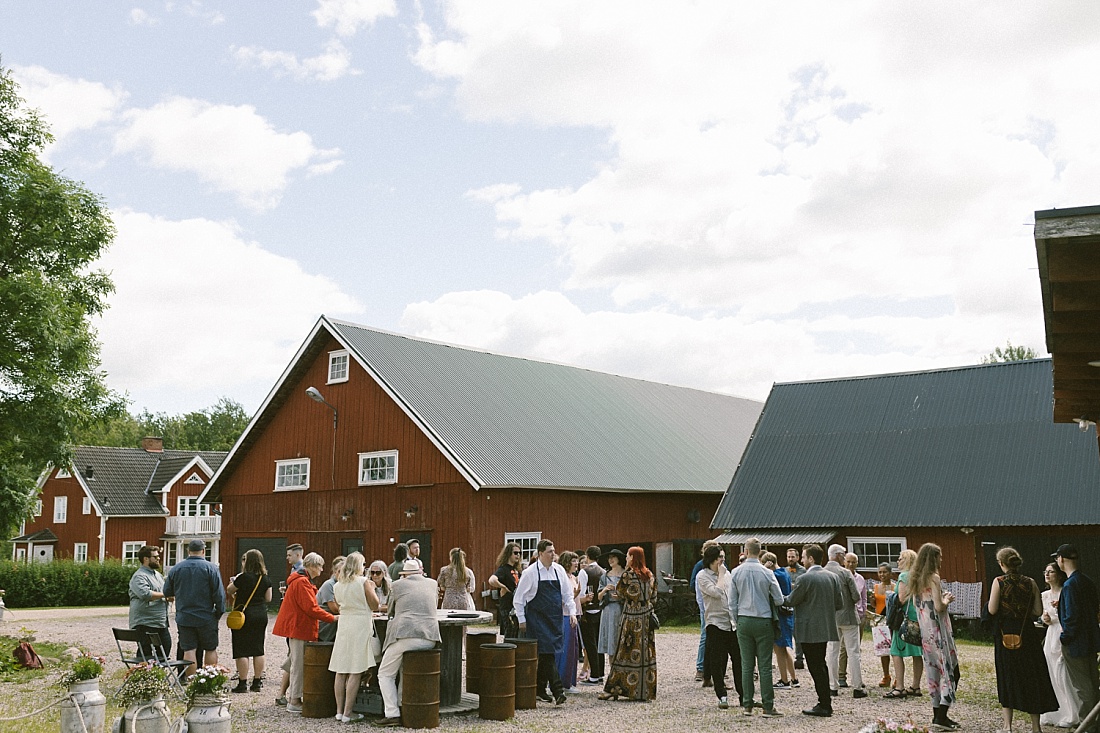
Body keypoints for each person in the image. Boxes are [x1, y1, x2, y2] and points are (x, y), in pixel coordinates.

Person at [988, 546, 1057, 733]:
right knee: (1032, 677)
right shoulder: (1031, 582)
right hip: (1026, 633)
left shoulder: (998, 582)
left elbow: (992, 609)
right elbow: (1036, 611)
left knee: (1007, 676)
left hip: (1005, 633)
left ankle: (1007, 726)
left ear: (1001, 564)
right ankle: (1035, 727)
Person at [376, 559, 442, 726]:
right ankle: (404, 706)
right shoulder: (432, 584)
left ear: (404, 574)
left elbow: (390, 610)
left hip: (406, 634)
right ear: (420, 573)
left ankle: (392, 713)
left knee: (385, 673)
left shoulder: (397, 585)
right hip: (430, 636)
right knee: (406, 670)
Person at [905, 542, 961, 732]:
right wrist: (947, 599)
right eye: (940, 556)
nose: (942, 560)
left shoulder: (915, 579)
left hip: (925, 632)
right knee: (951, 671)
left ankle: (938, 714)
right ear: (933, 558)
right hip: (939, 631)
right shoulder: (933, 578)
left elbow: (917, 604)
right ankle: (941, 716)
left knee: (934, 673)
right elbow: (939, 606)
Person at [271, 552, 335, 714]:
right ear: (312, 566)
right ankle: (294, 700)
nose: (321, 570)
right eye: (320, 566)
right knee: (298, 666)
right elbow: (311, 609)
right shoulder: (302, 583)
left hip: (298, 627)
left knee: (294, 662)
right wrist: (332, 618)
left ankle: (291, 696)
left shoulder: (300, 581)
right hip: (299, 628)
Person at [515, 539, 577, 705]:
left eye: (554, 551)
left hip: (554, 619)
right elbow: (518, 598)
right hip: (537, 619)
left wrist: (573, 613)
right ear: (540, 553)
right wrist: (521, 619)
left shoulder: (559, 571)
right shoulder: (530, 573)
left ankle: (540, 689)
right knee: (547, 653)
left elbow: (567, 594)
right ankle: (558, 691)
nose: (553, 554)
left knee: (546, 654)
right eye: (550, 551)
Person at [784, 544, 842, 718]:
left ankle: (824, 704)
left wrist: (777, 598)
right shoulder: (832, 577)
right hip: (825, 626)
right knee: (821, 664)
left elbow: (791, 601)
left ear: (810, 558)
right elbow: (839, 604)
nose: (801, 560)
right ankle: (825, 702)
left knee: (815, 667)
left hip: (809, 628)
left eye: (803, 557)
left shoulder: (804, 578)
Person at [727, 538, 784, 717]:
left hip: (744, 619)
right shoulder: (767, 573)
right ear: (760, 552)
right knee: (765, 665)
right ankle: (768, 705)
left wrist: (736, 621)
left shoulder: (736, 572)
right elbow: (779, 599)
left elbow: (732, 602)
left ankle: (748, 705)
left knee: (746, 664)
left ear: (745, 550)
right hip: (763, 619)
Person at [599, 546, 657, 701]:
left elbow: (621, 594)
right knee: (645, 653)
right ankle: (644, 691)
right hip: (646, 618)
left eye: (627, 557)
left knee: (624, 652)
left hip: (631, 618)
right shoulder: (649, 575)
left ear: (632, 558)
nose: (626, 559)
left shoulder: (628, 575)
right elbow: (655, 597)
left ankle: (616, 688)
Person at [1053, 543, 1100, 733]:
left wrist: (1065, 638)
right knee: (1092, 683)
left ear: (1062, 559)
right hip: (1091, 640)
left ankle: (1088, 726)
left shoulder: (1070, 585)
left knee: (1083, 688)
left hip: (1076, 643)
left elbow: (1071, 617)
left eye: (1057, 558)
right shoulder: (1086, 581)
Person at [329, 552, 380, 724]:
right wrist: (372, 589)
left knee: (340, 669)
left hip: (344, 624)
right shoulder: (363, 582)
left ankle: (338, 711)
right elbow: (375, 605)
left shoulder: (337, 585)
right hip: (360, 625)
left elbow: (337, 604)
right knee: (355, 670)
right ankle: (348, 712)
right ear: (358, 565)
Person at [163, 538, 225, 677]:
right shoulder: (211, 568)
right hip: (206, 615)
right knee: (210, 648)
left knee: (189, 650)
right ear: (203, 551)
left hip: (185, 616)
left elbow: (167, 591)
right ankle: (208, 681)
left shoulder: (176, 568)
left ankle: (191, 681)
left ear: (188, 551)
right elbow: (219, 595)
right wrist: (218, 613)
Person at [697, 544, 743, 709]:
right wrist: (721, 575)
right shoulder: (702, 576)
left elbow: (733, 594)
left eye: (723, 557)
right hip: (715, 623)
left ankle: (743, 695)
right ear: (711, 559)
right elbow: (716, 592)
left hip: (731, 623)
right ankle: (721, 695)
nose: (722, 560)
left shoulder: (727, 574)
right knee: (718, 661)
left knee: (739, 660)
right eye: (719, 557)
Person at [1040, 561, 1082, 728]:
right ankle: (1054, 712)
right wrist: (1045, 619)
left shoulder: (1066, 591)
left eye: (1051, 571)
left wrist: (1056, 615)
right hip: (1051, 634)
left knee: (1063, 675)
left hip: (1062, 632)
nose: (1047, 574)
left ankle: (1072, 713)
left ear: (1058, 574)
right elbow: (1044, 615)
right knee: (1050, 673)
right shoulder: (1044, 595)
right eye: (1046, 571)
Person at [227, 549, 273, 693]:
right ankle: (257, 682)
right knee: (258, 649)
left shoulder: (243, 577)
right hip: (260, 615)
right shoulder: (265, 578)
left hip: (244, 615)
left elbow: (229, 590)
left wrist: (233, 583)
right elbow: (268, 598)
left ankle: (242, 683)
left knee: (242, 649)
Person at [824, 544, 864, 698]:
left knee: (832, 651)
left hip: (830, 617)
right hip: (848, 616)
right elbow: (856, 596)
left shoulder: (822, 572)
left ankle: (832, 686)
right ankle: (857, 687)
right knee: (853, 651)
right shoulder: (845, 573)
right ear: (839, 555)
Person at [886, 548, 924, 699]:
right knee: (917, 652)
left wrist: (891, 596)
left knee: (896, 651)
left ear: (907, 560)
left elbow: (901, 599)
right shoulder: (920, 576)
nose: (898, 561)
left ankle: (900, 686)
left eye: (900, 558)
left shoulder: (904, 576)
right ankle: (916, 685)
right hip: (917, 617)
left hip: (904, 618)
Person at [129, 545, 172, 660]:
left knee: (165, 649)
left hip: (160, 621)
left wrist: (168, 598)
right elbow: (145, 594)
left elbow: (161, 593)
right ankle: (143, 675)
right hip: (145, 623)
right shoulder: (139, 576)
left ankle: (158, 676)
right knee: (145, 653)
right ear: (146, 559)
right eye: (155, 557)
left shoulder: (158, 575)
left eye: (158, 556)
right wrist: (165, 595)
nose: (158, 559)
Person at [764, 551, 797, 689]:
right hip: (788, 614)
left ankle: (784, 680)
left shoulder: (774, 575)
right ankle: (794, 679)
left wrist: (764, 569)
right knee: (785, 648)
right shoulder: (784, 572)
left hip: (780, 616)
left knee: (779, 649)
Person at [690, 540, 720, 685]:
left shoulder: (722, 568)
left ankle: (716, 671)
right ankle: (701, 668)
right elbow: (693, 585)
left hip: (720, 609)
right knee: (705, 637)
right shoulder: (700, 568)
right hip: (707, 607)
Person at [837, 552, 866, 689]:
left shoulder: (860, 579)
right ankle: (841, 675)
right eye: (848, 562)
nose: (850, 564)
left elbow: (863, 597)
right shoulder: (840, 576)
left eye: (853, 562)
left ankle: (857, 677)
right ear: (844, 562)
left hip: (858, 616)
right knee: (843, 648)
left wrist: (863, 613)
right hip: (844, 615)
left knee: (855, 648)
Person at [577, 546, 605, 684]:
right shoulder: (603, 571)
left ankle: (594, 675)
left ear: (587, 555)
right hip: (600, 610)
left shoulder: (584, 572)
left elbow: (582, 593)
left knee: (590, 644)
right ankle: (600, 673)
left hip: (588, 611)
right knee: (599, 643)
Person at [556, 551, 583, 693]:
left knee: (573, 650)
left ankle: (570, 681)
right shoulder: (562, 578)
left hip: (575, 615)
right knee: (565, 650)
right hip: (565, 615)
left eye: (577, 561)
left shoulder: (574, 577)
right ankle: (562, 682)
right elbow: (562, 599)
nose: (576, 563)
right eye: (573, 561)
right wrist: (575, 595)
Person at [488, 542, 522, 639]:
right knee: (510, 631)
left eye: (519, 553)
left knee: (517, 632)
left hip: (516, 605)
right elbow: (492, 580)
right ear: (508, 554)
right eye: (515, 553)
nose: (518, 555)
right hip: (507, 606)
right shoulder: (503, 569)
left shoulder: (518, 570)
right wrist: (503, 587)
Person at [597, 549, 626, 662]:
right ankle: (612, 671)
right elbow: (599, 597)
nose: (611, 560)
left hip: (620, 609)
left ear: (619, 559)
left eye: (613, 557)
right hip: (608, 610)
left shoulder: (625, 574)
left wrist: (620, 595)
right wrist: (605, 590)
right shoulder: (605, 576)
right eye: (609, 558)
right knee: (610, 643)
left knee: (620, 640)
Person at [316, 555, 346, 643]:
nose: (342, 574)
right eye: (339, 571)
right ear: (335, 572)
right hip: (326, 625)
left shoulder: (345, 585)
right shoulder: (329, 585)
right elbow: (334, 609)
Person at [786, 548, 807, 670]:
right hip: (787, 604)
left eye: (792, 557)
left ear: (797, 558)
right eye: (789, 557)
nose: (790, 559)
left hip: (798, 605)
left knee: (798, 632)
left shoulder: (803, 571)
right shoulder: (785, 570)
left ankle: (799, 658)